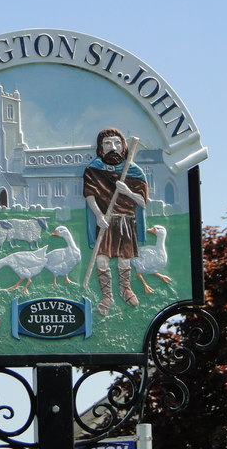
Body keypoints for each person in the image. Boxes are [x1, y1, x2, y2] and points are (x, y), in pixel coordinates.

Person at [83, 127, 148, 316]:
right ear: (101, 148)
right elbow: (90, 195)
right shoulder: (94, 169)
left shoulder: (134, 171)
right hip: (105, 220)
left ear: (124, 146)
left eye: (117, 143)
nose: (113, 147)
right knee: (102, 259)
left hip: (126, 220)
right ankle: (107, 295)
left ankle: (125, 289)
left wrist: (127, 191)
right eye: (108, 143)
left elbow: (142, 201)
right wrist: (98, 215)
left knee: (124, 258)